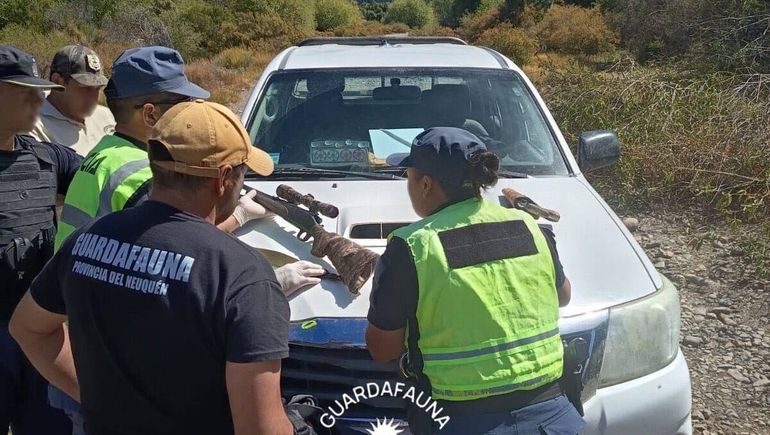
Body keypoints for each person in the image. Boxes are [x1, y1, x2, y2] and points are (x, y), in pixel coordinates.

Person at [49, 45, 323, 434]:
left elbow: (31, 325)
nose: (193, 112)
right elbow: (181, 250)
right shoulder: (133, 172)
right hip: (118, 367)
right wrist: (255, 282)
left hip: (92, 352)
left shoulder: (107, 153)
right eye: (184, 104)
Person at [10, 100, 296, 435]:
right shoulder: (241, 275)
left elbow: (27, 327)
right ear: (223, 180)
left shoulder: (88, 239)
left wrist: (95, 397)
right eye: (242, 172)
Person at [365, 127, 584, 435]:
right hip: (554, 415)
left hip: (460, 420)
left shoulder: (411, 247)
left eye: (408, 177)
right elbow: (563, 296)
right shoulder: (531, 227)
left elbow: (382, 349)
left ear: (425, 184)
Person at [0, 45, 80, 435]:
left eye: (41, 90)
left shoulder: (48, 159)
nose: (39, 100)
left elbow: (107, 180)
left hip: (40, 329)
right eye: (25, 91)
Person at [30, 45, 115, 157]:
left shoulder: (107, 116)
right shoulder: (31, 124)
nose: (94, 97)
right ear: (57, 82)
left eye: (97, 88)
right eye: (85, 88)